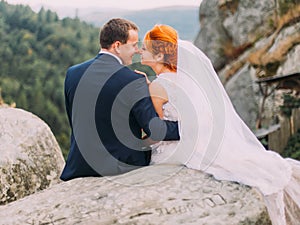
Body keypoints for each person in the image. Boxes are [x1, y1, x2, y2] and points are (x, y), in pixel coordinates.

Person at [140, 24, 300, 225]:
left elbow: (159, 129)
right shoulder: (187, 81)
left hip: (177, 145)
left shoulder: (158, 85)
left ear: (158, 57)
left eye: (145, 48)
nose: (140, 51)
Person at [60, 19, 180, 181]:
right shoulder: (132, 80)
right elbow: (155, 130)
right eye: (133, 46)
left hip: (80, 166)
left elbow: (74, 120)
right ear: (117, 46)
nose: (136, 51)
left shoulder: (73, 74)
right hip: (122, 166)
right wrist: (189, 129)